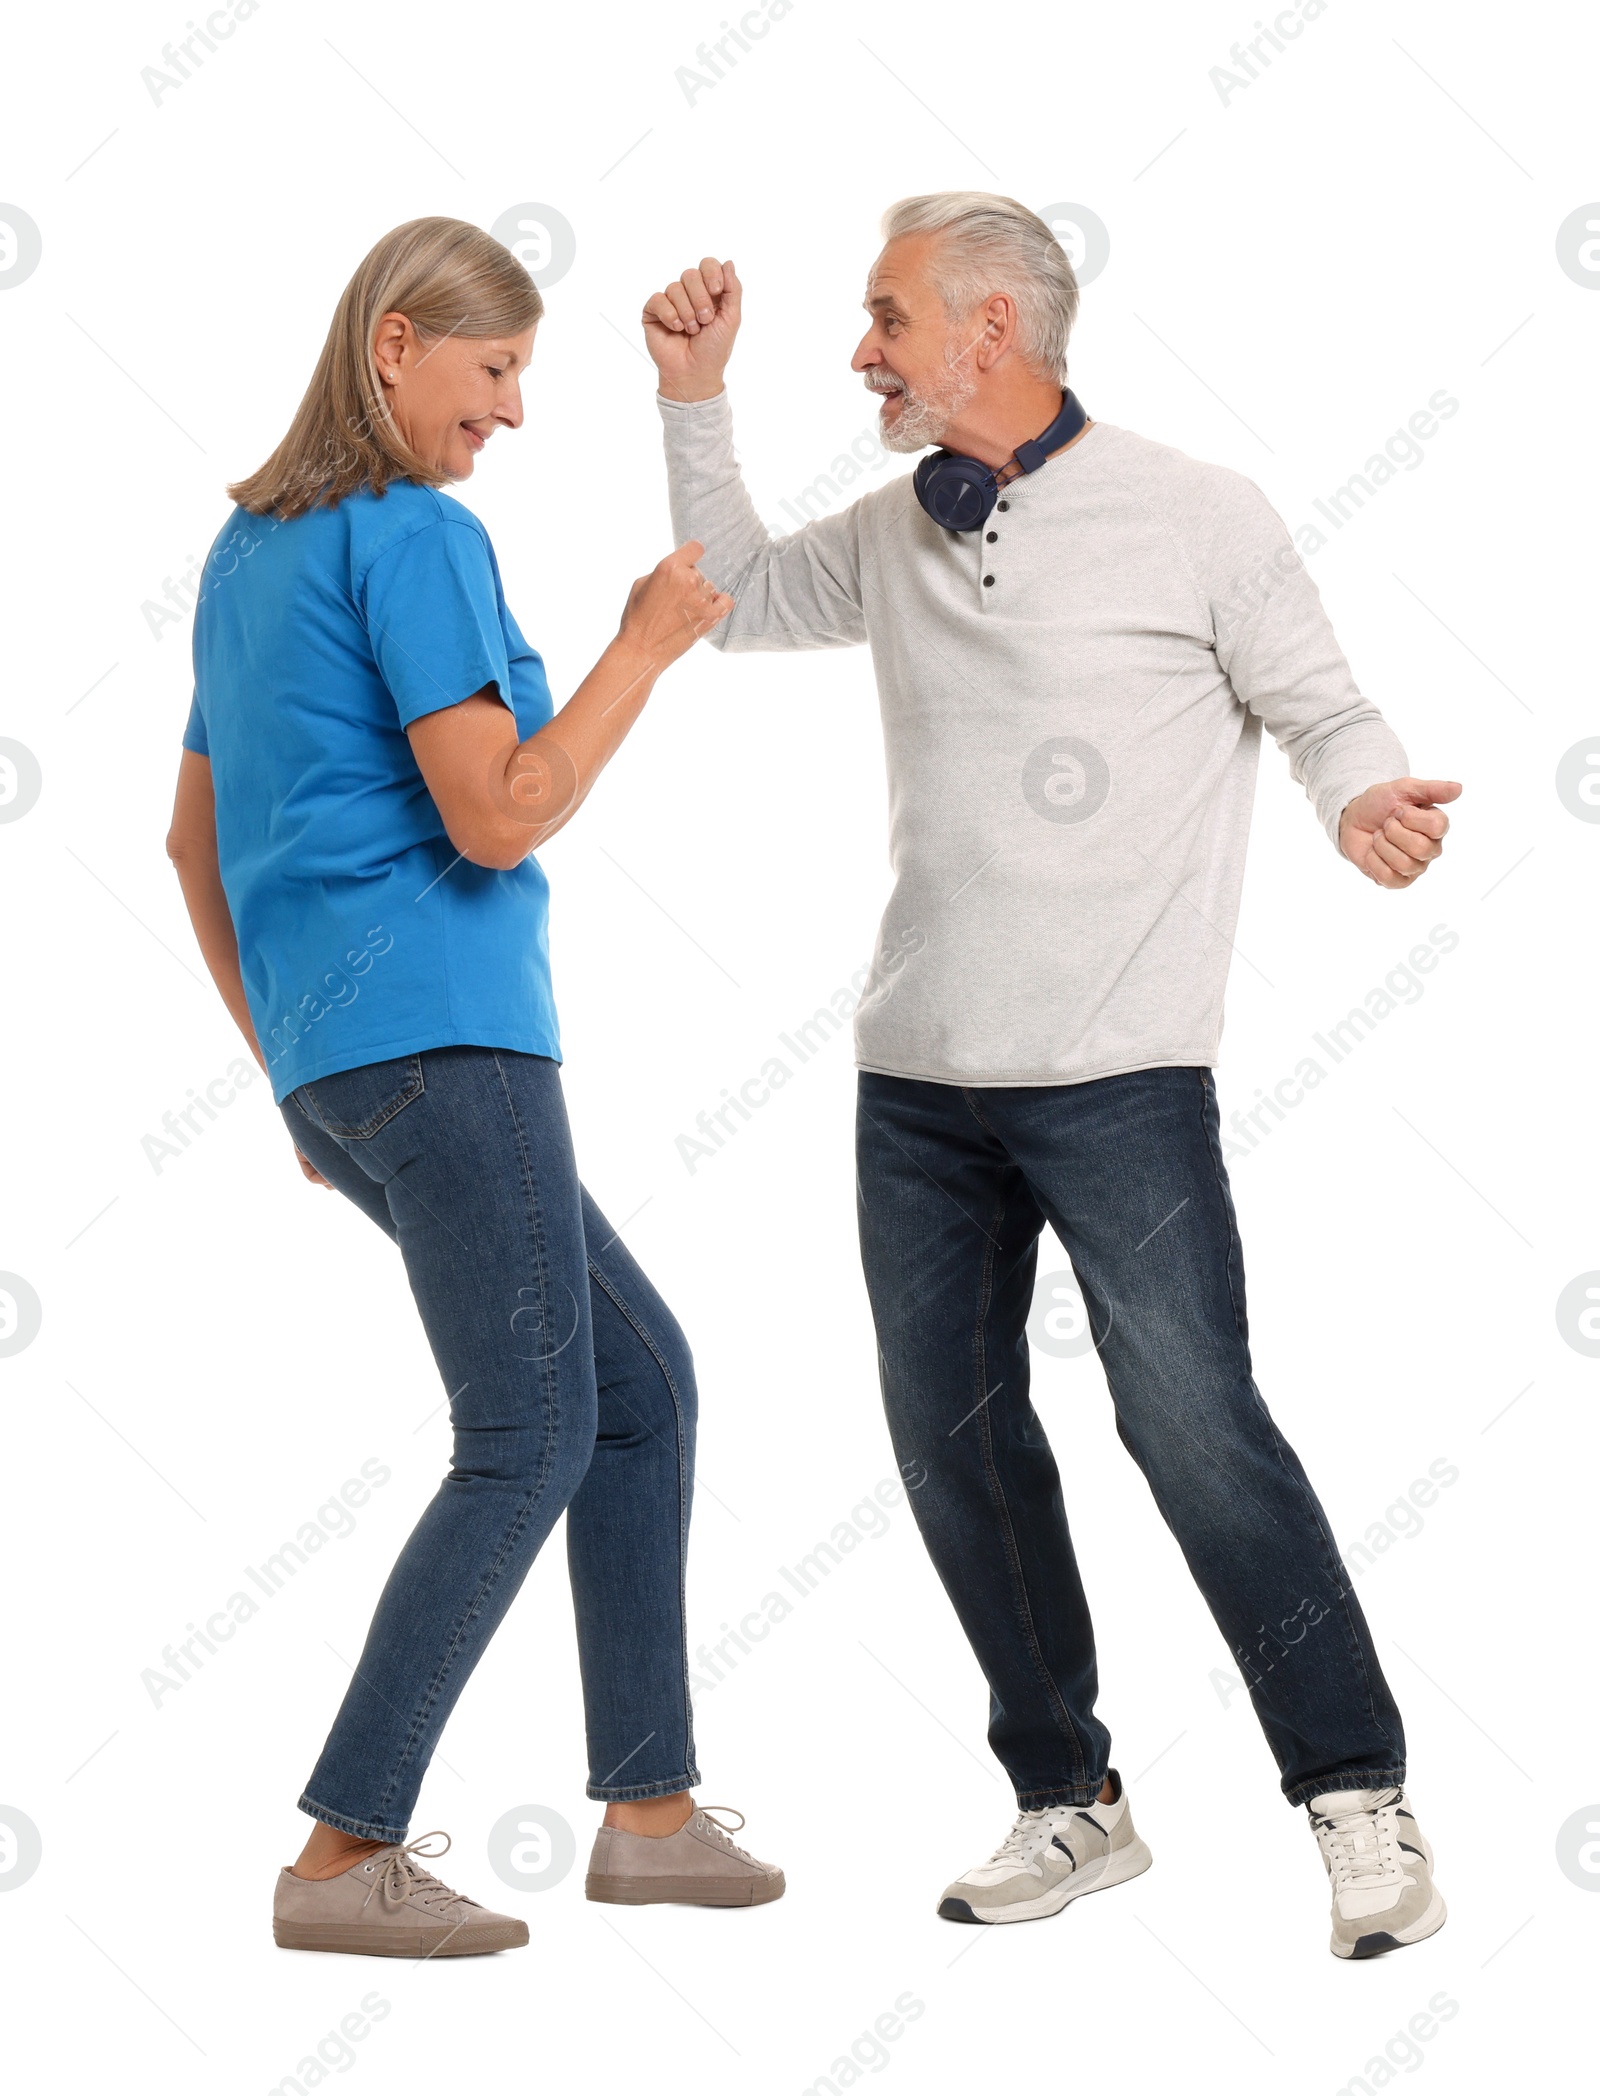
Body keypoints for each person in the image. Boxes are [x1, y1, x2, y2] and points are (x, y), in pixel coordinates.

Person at [642, 193, 1458, 1961]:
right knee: (953, 1447)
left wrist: (1364, 798)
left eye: (886, 316)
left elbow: (1321, 709)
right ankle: (1069, 1802)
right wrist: (694, 404)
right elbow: (729, 602)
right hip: (917, 1082)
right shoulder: (891, 527)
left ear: (988, 331)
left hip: (1120, 1075)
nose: (863, 347)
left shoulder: (1197, 513)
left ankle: (1355, 1798)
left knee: (1196, 1431)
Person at [166, 216, 783, 1959]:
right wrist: (646, 644)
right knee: (528, 1435)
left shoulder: (246, 552)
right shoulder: (416, 535)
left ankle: (649, 1812)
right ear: (394, 351)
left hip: (352, 1069)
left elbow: (191, 840)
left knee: (640, 1382)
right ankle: (341, 1852)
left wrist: (287, 1063)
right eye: (492, 371)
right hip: (452, 1041)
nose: (509, 413)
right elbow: (499, 809)